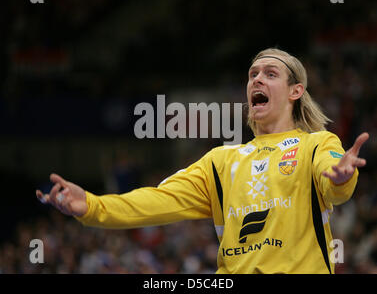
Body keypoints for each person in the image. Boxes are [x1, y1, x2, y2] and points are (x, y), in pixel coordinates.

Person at [36, 48, 369, 274]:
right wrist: (91, 206)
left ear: (295, 91)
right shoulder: (222, 160)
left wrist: (340, 177)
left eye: (270, 74)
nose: (256, 79)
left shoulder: (316, 143)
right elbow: (157, 200)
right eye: (253, 74)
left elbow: (334, 181)